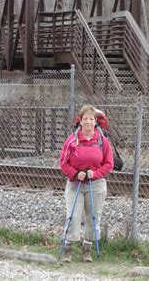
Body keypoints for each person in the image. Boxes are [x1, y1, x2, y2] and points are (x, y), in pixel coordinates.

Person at [59, 105, 114, 262]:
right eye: (85, 119)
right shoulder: (72, 141)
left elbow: (108, 164)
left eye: (91, 119)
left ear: (95, 121)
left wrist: (95, 173)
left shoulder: (102, 141)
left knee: (93, 218)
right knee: (73, 217)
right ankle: (68, 251)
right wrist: (75, 174)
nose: (88, 122)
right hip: (75, 184)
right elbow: (63, 162)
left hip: (96, 184)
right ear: (80, 121)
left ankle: (87, 251)